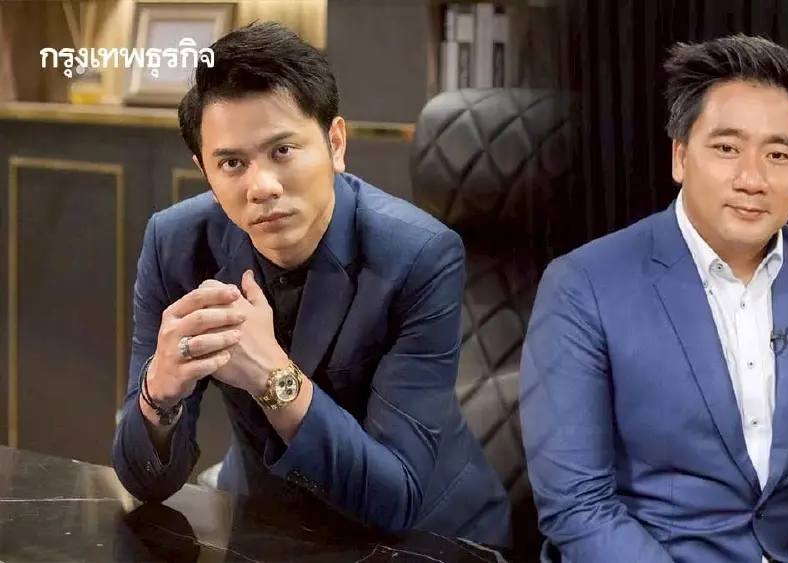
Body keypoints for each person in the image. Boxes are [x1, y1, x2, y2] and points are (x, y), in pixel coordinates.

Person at [110, 21, 511, 547]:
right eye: (231, 163)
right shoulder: (177, 243)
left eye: (283, 150)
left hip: (428, 537)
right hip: (266, 520)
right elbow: (145, 482)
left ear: (335, 143)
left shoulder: (418, 255)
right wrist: (158, 394)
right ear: (204, 170)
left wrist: (271, 375)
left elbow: (394, 497)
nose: (261, 187)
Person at [519, 34, 788, 563]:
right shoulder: (582, 285)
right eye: (726, 148)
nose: (752, 179)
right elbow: (577, 504)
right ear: (680, 156)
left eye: (778, 154)